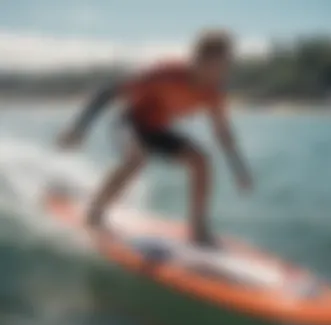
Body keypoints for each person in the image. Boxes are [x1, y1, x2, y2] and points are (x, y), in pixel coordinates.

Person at [58, 29, 252, 247]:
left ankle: (198, 228)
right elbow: (107, 92)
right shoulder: (165, 73)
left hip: (157, 129)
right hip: (129, 123)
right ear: (199, 60)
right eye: (218, 65)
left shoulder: (213, 93)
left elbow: (223, 133)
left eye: (226, 66)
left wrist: (239, 169)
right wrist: (79, 128)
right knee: (136, 159)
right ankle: (95, 212)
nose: (222, 73)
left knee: (201, 161)